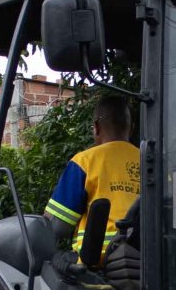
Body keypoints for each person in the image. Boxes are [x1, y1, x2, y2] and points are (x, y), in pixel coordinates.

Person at [44, 95, 140, 259]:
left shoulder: (84, 162)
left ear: (96, 127)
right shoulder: (153, 163)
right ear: (131, 128)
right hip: (148, 264)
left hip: (97, 267)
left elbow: (55, 227)